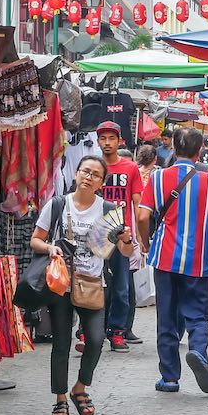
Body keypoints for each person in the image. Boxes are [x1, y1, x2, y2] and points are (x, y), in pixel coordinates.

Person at [32, 155, 135, 415]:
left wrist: (126, 240)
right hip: (61, 283)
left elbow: (122, 251)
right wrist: (50, 247)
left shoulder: (108, 209)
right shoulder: (57, 204)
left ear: (102, 182)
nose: (89, 177)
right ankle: (60, 398)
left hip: (92, 283)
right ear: (76, 174)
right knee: (62, 343)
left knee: (96, 338)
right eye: (85, 172)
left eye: (95, 175)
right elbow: (35, 240)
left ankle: (80, 387)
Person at [138, 126, 208, 394]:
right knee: (198, 315)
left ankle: (169, 378)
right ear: (200, 151)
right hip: (197, 260)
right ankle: (198, 351)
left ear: (173, 149)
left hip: (164, 258)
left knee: (166, 317)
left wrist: (145, 243)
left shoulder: (156, 178)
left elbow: (143, 217)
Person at [96, 121, 144, 352]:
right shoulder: (92, 166)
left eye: (111, 138)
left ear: (119, 141)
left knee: (122, 287)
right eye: (103, 138)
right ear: (97, 142)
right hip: (95, 235)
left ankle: (117, 332)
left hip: (122, 234)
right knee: (94, 284)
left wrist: (139, 236)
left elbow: (137, 202)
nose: (107, 143)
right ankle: (90, 332)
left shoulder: (130, 168)